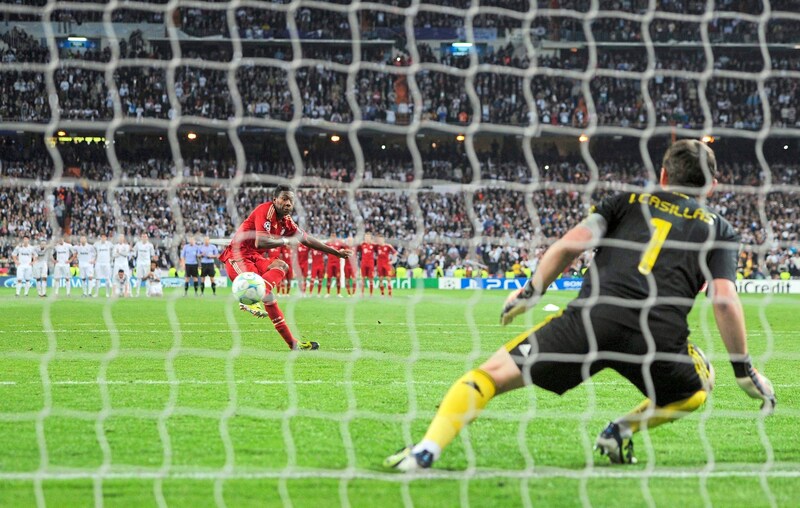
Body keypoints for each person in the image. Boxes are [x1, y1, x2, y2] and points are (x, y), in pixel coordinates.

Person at [384, 140, 776, 471]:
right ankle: (621, 430)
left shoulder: (625, 201)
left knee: (489, 376)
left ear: (662, 175)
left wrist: (530, 291)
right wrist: (744, 372)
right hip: (655, 337)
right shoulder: (720, 228)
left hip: (591, 320)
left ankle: (424, 452)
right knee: (698, 384)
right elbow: (723, 298)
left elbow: (571, 243)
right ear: (712, 186)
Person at [218, 185, 353, 351]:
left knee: (280, 268)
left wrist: (335, 253)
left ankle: (293, 344)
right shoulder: (265, 211)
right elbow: (260, 241)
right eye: (284, 199)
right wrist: (286, 241)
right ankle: (247, 299)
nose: (288, 203)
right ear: (275, 200)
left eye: (291, 200)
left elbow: (307, 239)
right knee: (258, 286)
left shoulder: (287, 222)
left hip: (255, 257)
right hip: (237, 256)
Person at [132, 233, 156, 297]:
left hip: (147, 263)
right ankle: (137, 293)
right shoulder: (138, 244)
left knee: (147, 279)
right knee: (138, 278)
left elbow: (152, 255)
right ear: (141, 237)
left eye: (145, 236)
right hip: (139, 263)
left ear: (147, 238)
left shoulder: (150, 245)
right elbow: (134, 251)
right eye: (143, 236)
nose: (144, 238)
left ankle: (147, 294)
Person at [93, 233, 113, 297]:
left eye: (104, 237)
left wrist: (111, 259)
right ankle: (96, 293)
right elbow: (93, 251)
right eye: (102, 237)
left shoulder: (109, 244)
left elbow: (114, 250)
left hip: (107, 263)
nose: (103, 238)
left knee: (107, 279)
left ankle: (107, 293)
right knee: (97, 279)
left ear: (106, 238)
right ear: (100, 237)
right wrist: (93, 259)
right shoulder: (96, 244)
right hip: (98, 263)